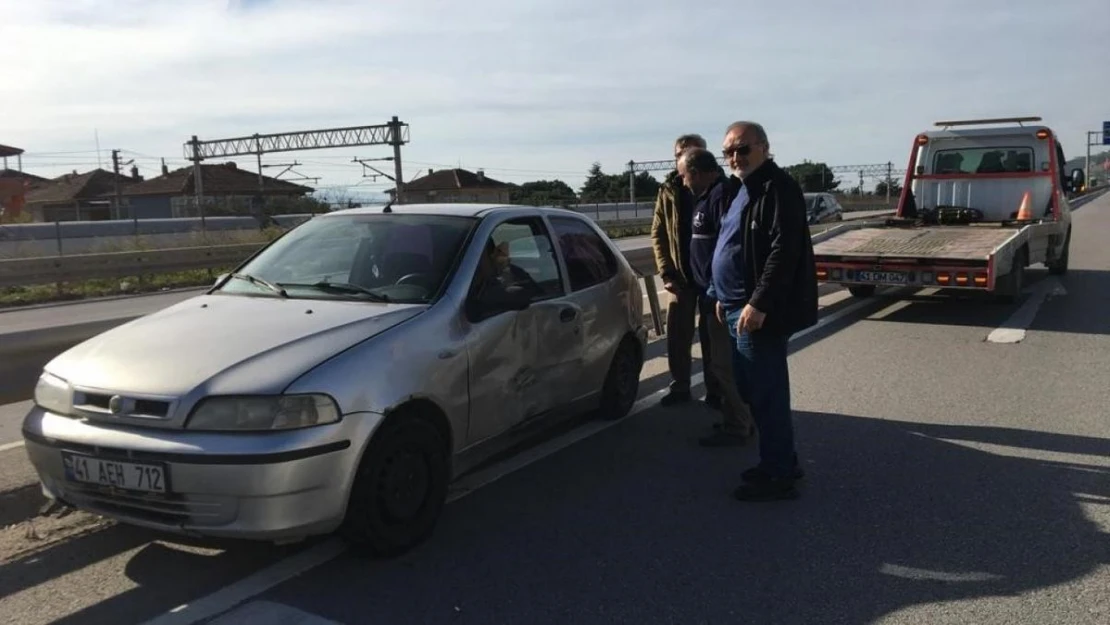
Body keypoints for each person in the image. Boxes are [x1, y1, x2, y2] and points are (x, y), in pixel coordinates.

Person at [708, 121, 818, 501]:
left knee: (765, 392)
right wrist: (722, 294)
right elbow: (734, 245)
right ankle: (779, 460)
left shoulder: (778, 189)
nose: (735, 157)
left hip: (758, 312)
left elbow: (782, 252)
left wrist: (758, 303)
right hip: (737, 305)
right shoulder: (744, 189)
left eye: (742, 149)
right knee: (753, 390)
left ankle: (779, 474)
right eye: (728, 152)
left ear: (765, 147)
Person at [676, 146, 756, 447]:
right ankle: (739, 418)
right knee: (722, 364)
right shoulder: (708, 196)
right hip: (712, 294)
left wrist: (715, 291)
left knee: (724, 365)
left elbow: (729, 247)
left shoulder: (721, 195)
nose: (683, 182)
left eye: (684, 176)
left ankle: (739, 424)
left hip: (721, 298)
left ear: (695, 173)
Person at [651, 133, 722, 408]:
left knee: (712, 337)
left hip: (710, 277)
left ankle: (715, 389)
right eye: (680, 152)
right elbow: (658, 233)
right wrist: (666, 272)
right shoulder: (668, 188)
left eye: (692, 151)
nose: (685, 156)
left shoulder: (720, 187)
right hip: (680, 276)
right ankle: (680, 386)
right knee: (678, 336)